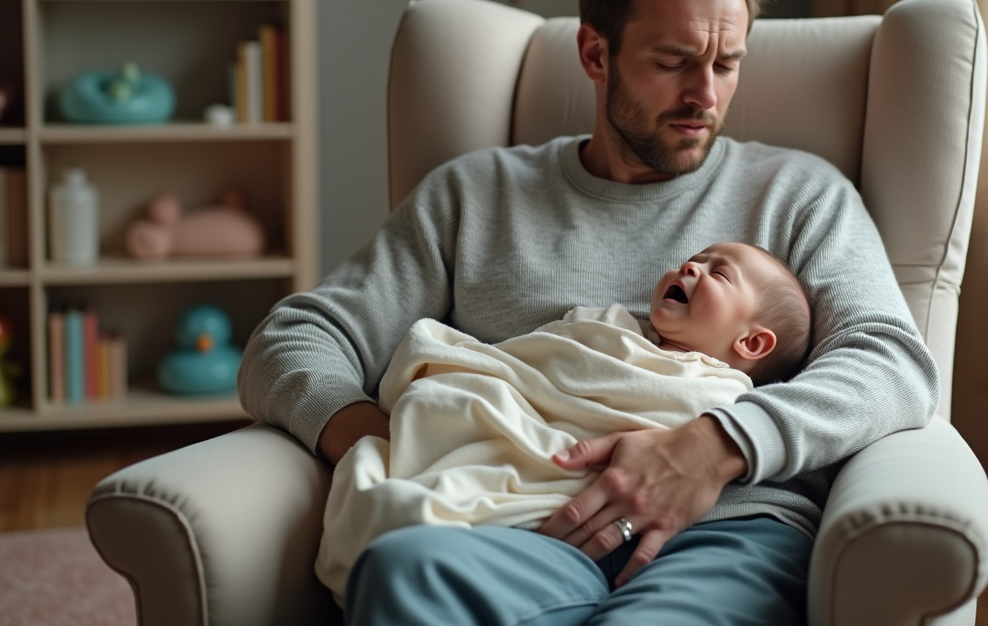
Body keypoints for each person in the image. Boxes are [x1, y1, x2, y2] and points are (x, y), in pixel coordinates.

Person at [239, 0, 938, 625]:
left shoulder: (799, 193)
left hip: (722, 531)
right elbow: (291, 339)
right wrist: (388, 434)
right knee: (400, 573)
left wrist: (714, 446)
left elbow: (892, 362)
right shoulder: (476, 195)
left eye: (727, 64)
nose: (706, 95)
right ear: (596, 54)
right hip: (516, 530)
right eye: (674, 63)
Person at [314, 242, 812, 601]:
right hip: (541, 504)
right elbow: (540, 368)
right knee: (402, 560)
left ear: (751, 344)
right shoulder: (609, 329)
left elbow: (884, 361)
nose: (691, 265)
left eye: (718, 274)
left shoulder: (720, 393)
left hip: (703, 534)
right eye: (695, 260)